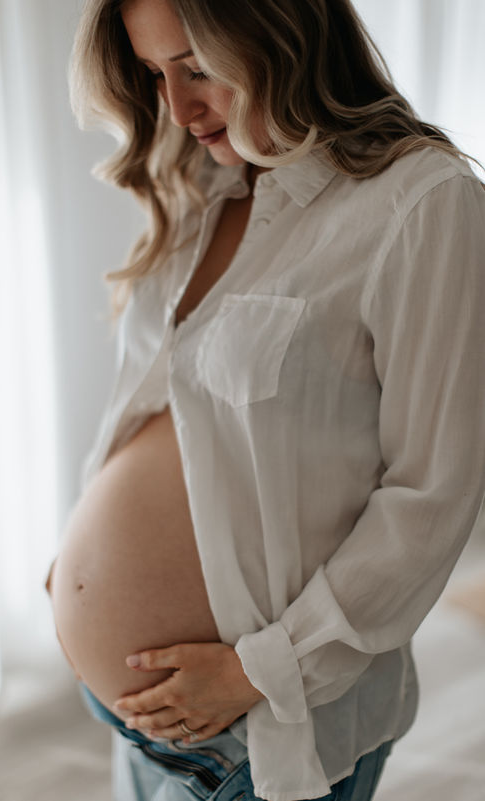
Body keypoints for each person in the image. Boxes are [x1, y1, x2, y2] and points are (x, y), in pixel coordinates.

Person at [47, 0, 485, 800]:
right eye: (153, 75)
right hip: (145, 714)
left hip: (259, 730)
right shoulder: (203, 186)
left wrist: (261, 669)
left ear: (281, 28)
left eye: (198, 66)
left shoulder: (420, 201)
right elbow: (158, 406)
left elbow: (432, 495)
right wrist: (82, 555)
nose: (177, 109)